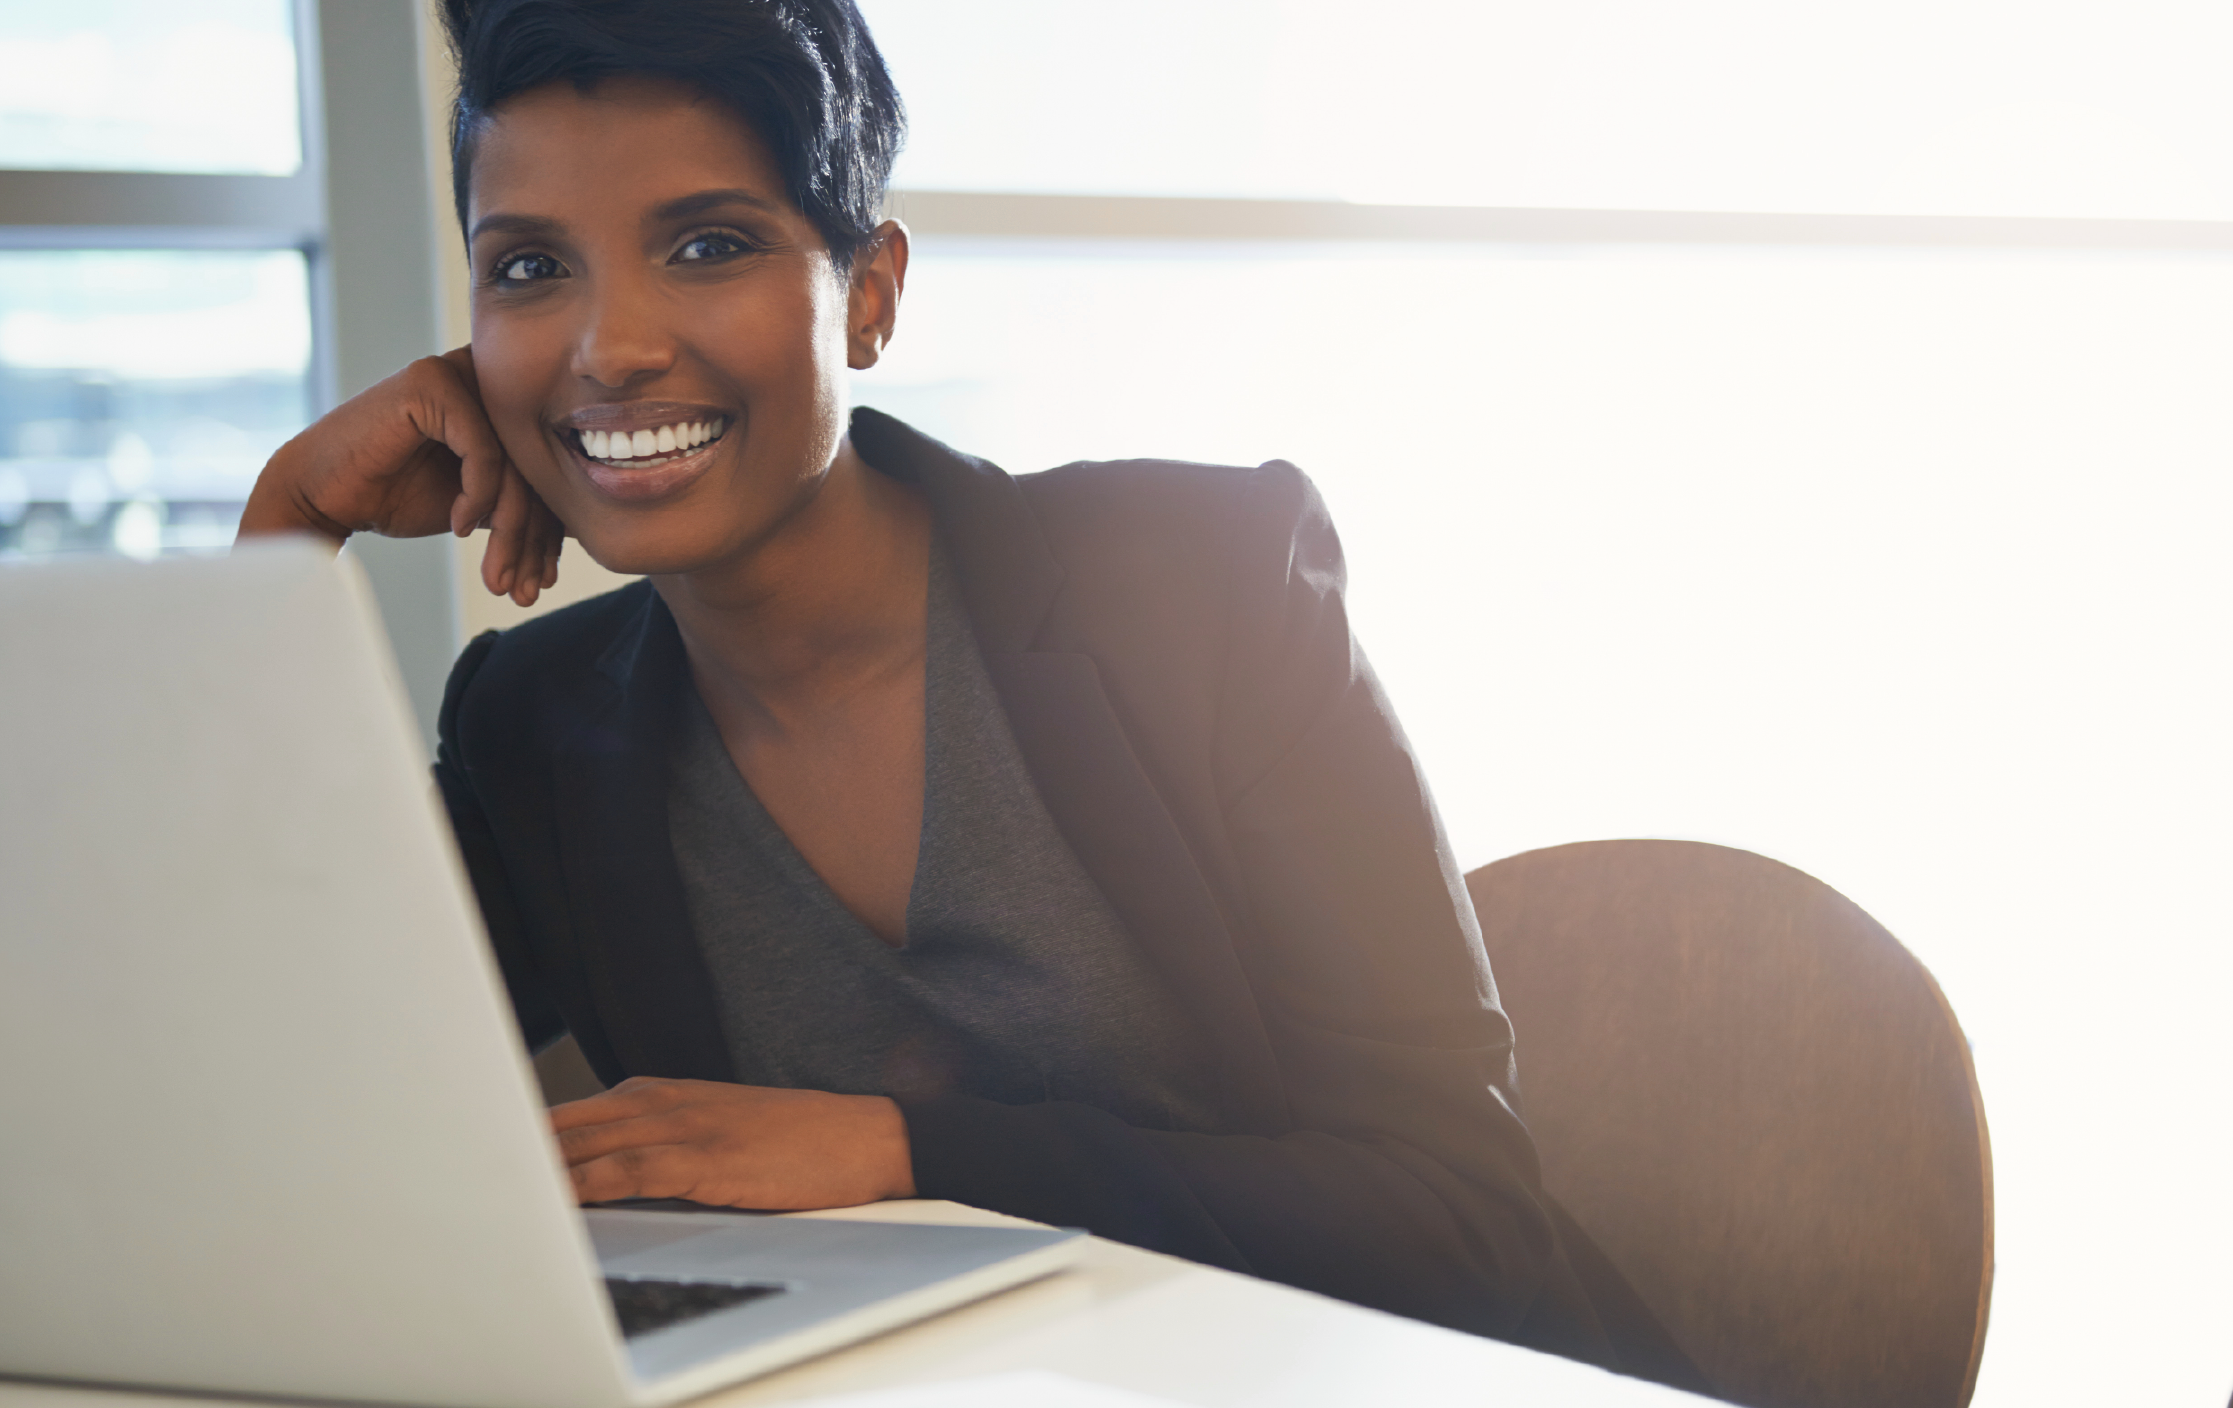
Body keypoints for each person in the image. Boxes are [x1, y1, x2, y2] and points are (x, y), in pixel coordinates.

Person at [237, 0, 1707, 1390]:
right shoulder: (534, 726)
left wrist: (907, 1150)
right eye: (530, 268)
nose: (610, 347)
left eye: (707, 246)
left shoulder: (1199, 589)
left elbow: (1461, 1217)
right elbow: (272, 1097)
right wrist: (283, 539)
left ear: (867, 295)